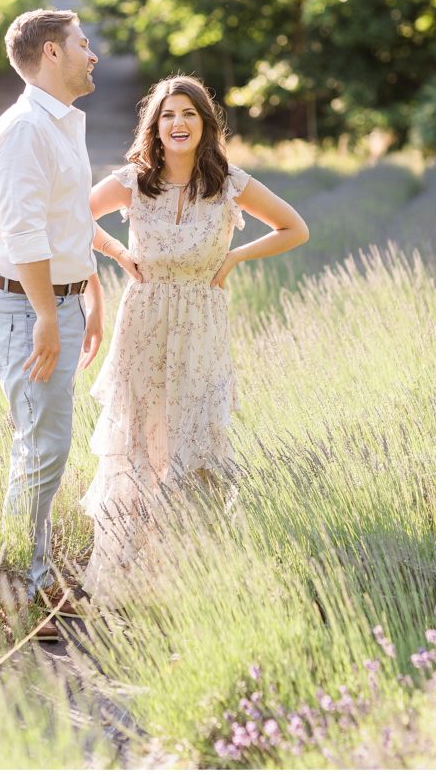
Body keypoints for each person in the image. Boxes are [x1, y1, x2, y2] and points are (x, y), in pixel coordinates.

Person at [82, 74, 309, 607]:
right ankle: (129, 577)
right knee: (140, 444)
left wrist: (234, 256)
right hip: (143, 325)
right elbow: (69, 216)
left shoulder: (230, 182)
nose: (177, 123)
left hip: (202, 329)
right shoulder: (132, 181)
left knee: (194, 444)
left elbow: (295, 229)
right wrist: (117, 253)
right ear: (154, 128)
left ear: (205, 124)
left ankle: (189, 575)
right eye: (167, 115)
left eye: (188, 113)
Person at [0, 8, 135, 641]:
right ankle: (23, 588)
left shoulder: (61, 124)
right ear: (51, 52)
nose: (92, 54)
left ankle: (29, 578)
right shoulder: (23, 130)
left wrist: (100, 281)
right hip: (24, 307)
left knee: (43, 446)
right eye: (82, 44)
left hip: (55, 301)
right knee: (41, 449)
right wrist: (47, 312)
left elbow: (66, 221)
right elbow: (23, 233)